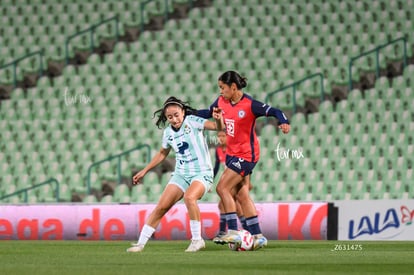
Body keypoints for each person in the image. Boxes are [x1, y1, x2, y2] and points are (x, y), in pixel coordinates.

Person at [198, 71, 290, 250]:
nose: (220, 91)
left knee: (222, 188)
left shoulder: (250, 105)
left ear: (233, 87)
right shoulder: (221, 102)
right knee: (241, 194)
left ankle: (232, 231)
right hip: (233, 154)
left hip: (247, 155)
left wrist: (283, 121)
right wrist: (188, 113)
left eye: (222, 88)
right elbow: (208, 112)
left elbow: (275, 111)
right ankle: (258, 236)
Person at [127, 96, 223, 253]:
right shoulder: (168, 133)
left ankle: (197, 240)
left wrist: (219, 120)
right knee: (161, 207)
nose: (174, 119)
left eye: (176, 115)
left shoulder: (192, 121)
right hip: (181, 174)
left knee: (189, 197)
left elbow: (217, 128)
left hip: (201, 173)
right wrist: (144, 171)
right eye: (169, 117)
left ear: (183, 112)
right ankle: (140, 244)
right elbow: (162, 153)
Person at [213, 130, 250, 243]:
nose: (220, 138)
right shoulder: (218, 150)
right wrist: (211, 180)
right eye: (219, 136)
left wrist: (247, 182)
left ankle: (225, 232)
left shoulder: (233, 148)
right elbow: (216, 167)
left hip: (236, 177)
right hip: (228, 179)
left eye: (223, 136)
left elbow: (245, 162)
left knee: (224, 204)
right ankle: (248, 232)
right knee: (235, 208)